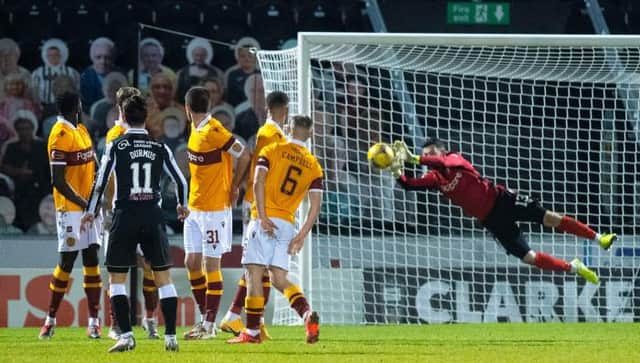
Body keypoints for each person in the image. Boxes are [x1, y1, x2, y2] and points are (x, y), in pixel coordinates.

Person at [391, 138, 618, 284]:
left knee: (551, 219)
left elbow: (445, 164)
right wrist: (395, 169)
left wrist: (415, 157)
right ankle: (574, 267)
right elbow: (409, 185)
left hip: (503, 200)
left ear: (442, 150)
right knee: (528, 258)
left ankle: (600, 238)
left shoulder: (454, 158)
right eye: (426, 156)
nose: (429, 160)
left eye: (432, 153)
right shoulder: (433, 179)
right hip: (491, 220)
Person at [81, 94, 189, 352]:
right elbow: (182, 181)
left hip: (125, 214)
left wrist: (91, 211)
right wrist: (182, 205)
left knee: (116, 279)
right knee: (164, 278)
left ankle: (126, 335)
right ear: (146, 117)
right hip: (152, 214)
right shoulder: (159, 147)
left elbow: (100, 181)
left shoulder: (116, 146)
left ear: (123, 116)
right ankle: (171, 337)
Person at [227, 115, 322, 344]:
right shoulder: (314, 165)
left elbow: (258, 181)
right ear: (309, 134)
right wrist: (300, 236)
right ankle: (306, 314)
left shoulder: (272, 150)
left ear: (289, 128)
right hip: (287, 225)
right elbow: (315, 206)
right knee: (280, 278)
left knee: (253, 274)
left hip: (264, 219)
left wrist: (262, 214)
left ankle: (251, 333)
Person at [182, 86, 251, 340]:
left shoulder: (215, 131)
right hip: (194, 208)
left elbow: (244, 154)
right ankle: (204, 320)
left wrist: (235, 186)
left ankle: (209, 326)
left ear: (187, 109)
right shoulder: (194, 128)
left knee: (211, 264)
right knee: (191, 263)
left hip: (214, 210)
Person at [220, 91, 289, 338]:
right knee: (259, 266)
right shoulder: (271, 135)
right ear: (285, 110)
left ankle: (238, 317)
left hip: (260, 204)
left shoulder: (269, 133)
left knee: (259, 265)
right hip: (261, 206)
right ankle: (250, 322)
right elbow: (266, 173)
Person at [39, 91, 102, 339]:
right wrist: (84, 203)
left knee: (92, 260)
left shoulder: (82, 130)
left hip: (89, 208)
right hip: (71, 210)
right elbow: (58, 181)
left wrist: (95, 202)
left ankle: (93, 322)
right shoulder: (60, 134)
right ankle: (50, 319)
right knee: (66, 262)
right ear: (77, 105)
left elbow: (93, 165)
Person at [101, 87, 161, 341]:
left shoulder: (142, 136)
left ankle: (149, 320)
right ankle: (117, 324)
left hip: (140, 208)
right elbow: (109, 177)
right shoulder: (115, 136)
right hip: (122, 209)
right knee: (119, 268)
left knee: (149, 265)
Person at [0, 110, 50, 231]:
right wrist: (19, 172)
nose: (24, 132)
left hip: (40, 193)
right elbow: (5, 168)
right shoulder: (11, 147)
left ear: (33, 128)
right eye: (21, 128)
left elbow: (48, 170)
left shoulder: (42, 146)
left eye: (27, 128)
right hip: (17, 193)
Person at [32, 39, 80, 118]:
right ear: (46, 56)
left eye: (56, 55)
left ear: (61, 55)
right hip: (44, 107)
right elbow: (34, 92)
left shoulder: (71, 72)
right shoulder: (38, 73)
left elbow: (77, 90)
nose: (53, 57)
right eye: (50, 55)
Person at [175, 38, 223, 104]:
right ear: (192, 55)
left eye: (202, 55)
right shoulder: (182, 72)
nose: (199, 58)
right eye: (196, 55)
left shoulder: (216, 72)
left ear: (207, 55)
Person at [80, 37, 117, 110]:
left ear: (113, 58)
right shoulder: (83, 77)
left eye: (107, 57)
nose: (103, 62)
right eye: (98, 57)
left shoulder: (120, 75)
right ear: (92, 57)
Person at [224, 37, 260, 106]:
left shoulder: (261, 74)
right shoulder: (232, 75)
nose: (247, 59)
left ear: (255, 57)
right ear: (238, 57)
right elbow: (230, 98)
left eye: (250, 56)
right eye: (243, 56)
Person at [233, 74, 266, 141]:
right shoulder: (240, 120)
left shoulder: (277, 116)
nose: (257, 96)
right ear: (247, 93)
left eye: (261, 91)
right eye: (253, 91)